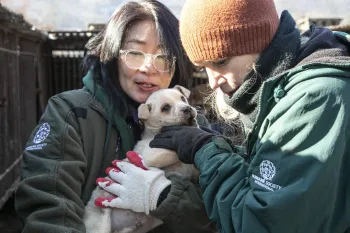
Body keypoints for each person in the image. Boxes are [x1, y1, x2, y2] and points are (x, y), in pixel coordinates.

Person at [99, 0, 350, 232]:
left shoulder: (315, 98)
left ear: (259, 41)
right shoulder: (276, 89)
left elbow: (263, 222)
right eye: (202, 68)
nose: (212, 82)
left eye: (219, 61)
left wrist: (206, 151)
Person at [15, 1, 216, 232]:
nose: (148, 68)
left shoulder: (194, 125)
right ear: (111, 54)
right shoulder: (71, 113)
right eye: (134, 53)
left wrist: (165, 197)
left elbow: (217, 211)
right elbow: (47, 208)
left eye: (163, 57)